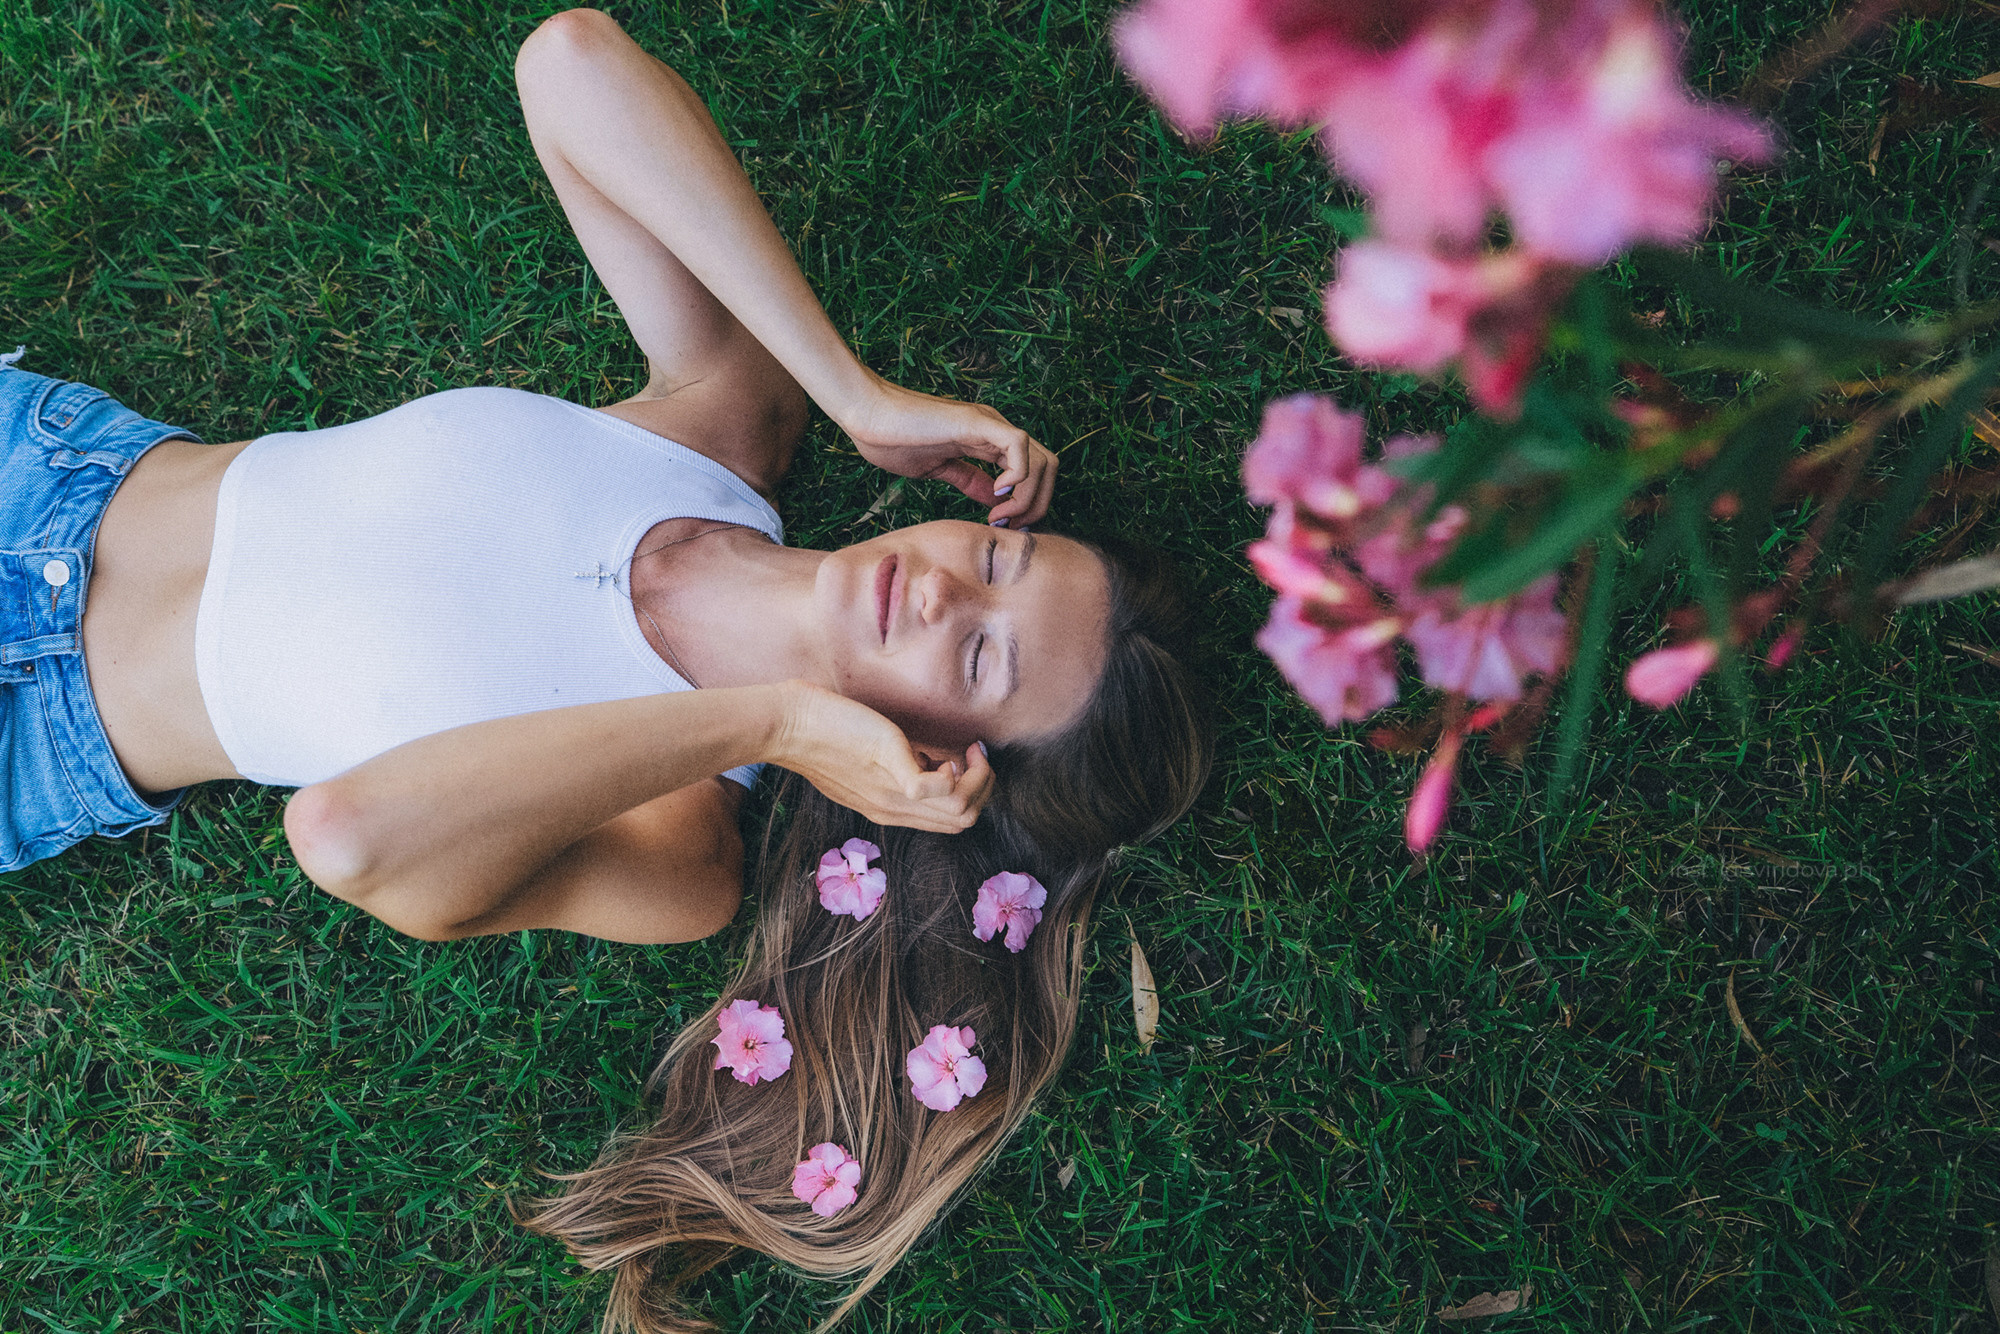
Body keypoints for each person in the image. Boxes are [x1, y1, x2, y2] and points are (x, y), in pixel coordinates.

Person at [0, 8, 1211, 1326]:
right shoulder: (725, 433)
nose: (941, 586)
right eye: (994, 555)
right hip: (50, 471)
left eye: (974, 654)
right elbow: (567, 65)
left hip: (39, 730)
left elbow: (346, 834)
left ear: (937, 763)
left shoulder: (682, 848)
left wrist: (774, 719)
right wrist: (853, 391)